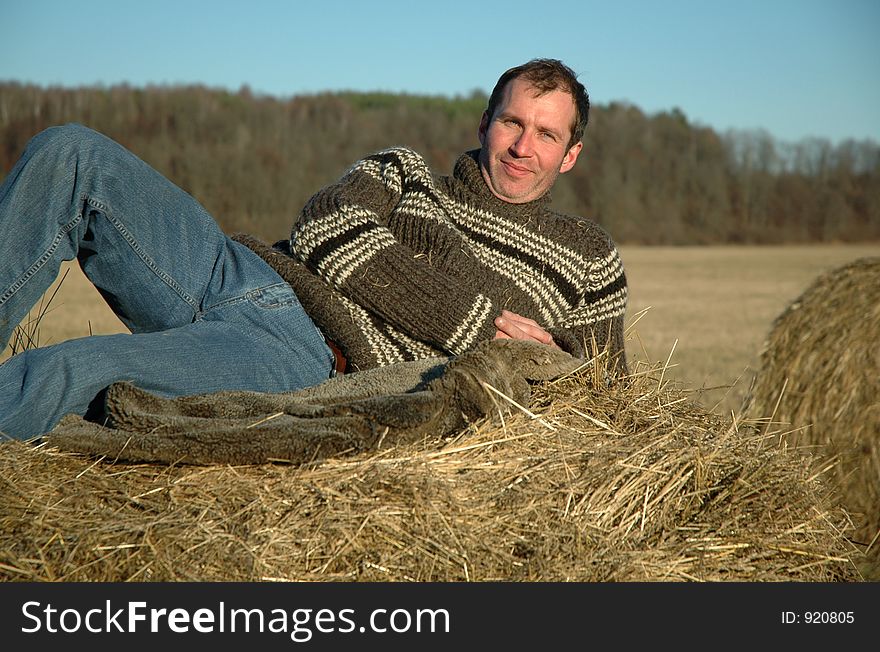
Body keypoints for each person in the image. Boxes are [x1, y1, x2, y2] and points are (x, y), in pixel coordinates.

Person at [0, 58, 628, 440]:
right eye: (513, 122)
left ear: (570, 155)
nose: (523, 146)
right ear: (484, 124)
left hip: (300, 352)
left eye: (547, 134)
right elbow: (328, 231)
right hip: (240, 270)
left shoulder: (589, 257)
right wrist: (476, 326)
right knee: (70, 152)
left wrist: (542, 361)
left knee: (66, 371)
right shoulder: (402, 172)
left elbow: (607, 394)